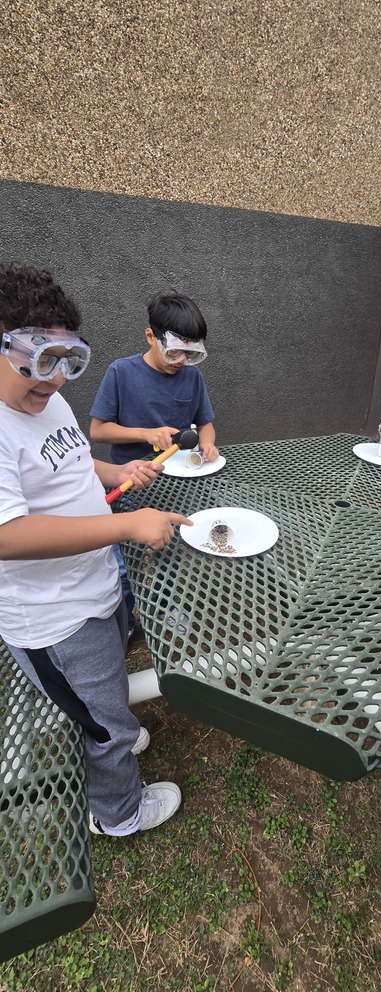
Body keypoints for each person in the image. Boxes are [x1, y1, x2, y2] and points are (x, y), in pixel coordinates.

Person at [0, 263, 191, 836]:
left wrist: (119, 467)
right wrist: (127, 529)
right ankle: (118, 813)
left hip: (93, 587)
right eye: (37, 358)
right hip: (55, 619)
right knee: (102, 724)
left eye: (66, 359)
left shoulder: (43, 402)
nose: (55, 377)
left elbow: (73, 461)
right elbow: (7, 535)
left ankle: (117, 730)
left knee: (107, 691)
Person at [89, 292, 218, 635]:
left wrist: (208, 443)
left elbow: (205, 422)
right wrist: (145, 434)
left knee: (170, 551)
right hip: (130, 484)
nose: (181, 360)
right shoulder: (121, 372)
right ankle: (127, 619)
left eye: (191, 353)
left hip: (179, 487)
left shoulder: (192, 377)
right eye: (174, 350)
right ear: (150, 336)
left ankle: (164, 608)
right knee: (125, 561)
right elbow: (98, 429)